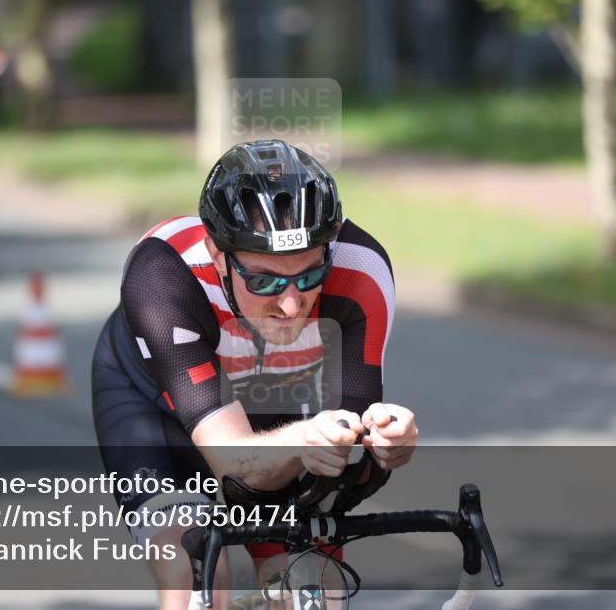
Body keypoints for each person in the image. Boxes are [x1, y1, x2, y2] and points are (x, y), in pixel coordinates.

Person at [91, 139, 418, 609]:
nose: (290, 304)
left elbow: (347, 468)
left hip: (281, 411)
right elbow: (235, 467)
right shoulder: (163, 274)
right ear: (218, 254)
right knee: (196, 571)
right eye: (264, 280)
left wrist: (382, 446)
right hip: (157, 413)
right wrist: (307, 439)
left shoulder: (360, 272)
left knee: (313, 586)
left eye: (308, 275)